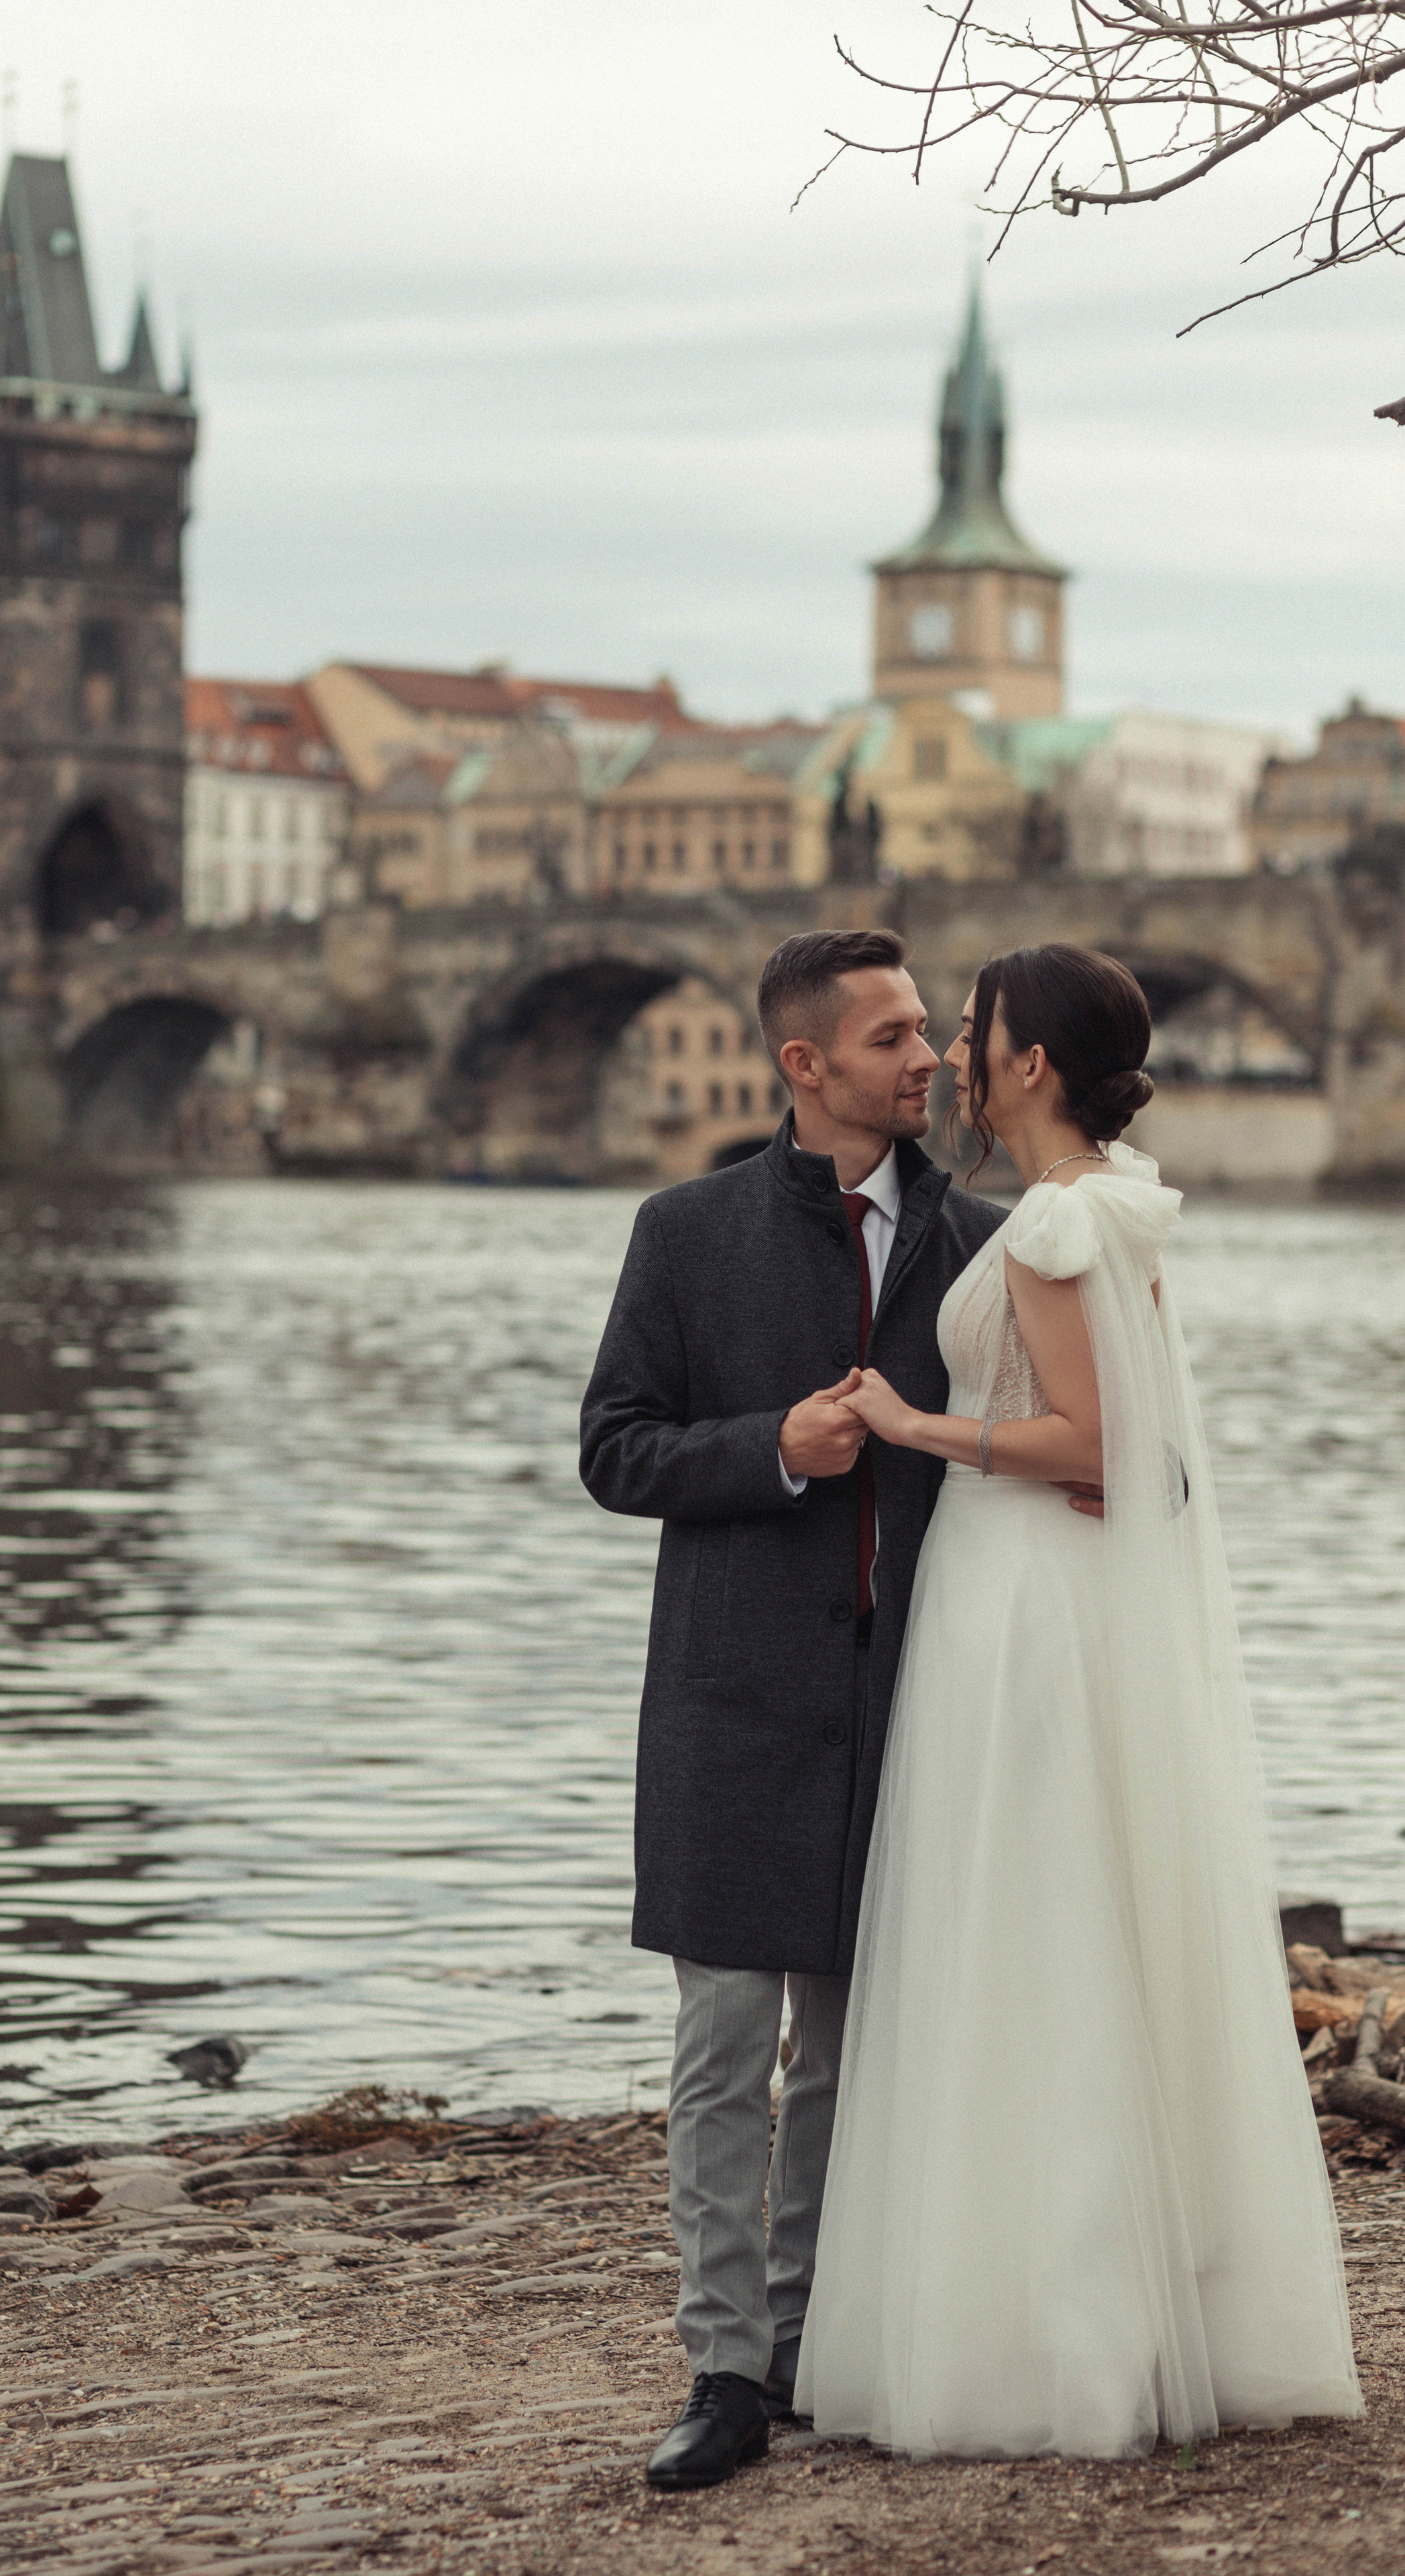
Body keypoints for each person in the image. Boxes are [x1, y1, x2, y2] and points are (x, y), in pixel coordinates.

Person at [796, 942, 1361, 2458]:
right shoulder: (1121, 1201)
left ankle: (1040, 2332)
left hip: (1017, 1604)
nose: (953, 1060)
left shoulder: (1055, 1219)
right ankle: (1119, 2294)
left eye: (968, 1035)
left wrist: (916, 1424)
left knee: (1023, 1923)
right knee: (1075, 1913)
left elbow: (1093, 1442)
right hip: (1050, 1597)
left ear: (1025, 1065)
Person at [579, 928, 1009, 2489]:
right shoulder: (682, 1233)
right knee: (718, 2050)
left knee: (845, 2051)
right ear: (804, 1063)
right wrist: (774, 1448)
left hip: (909, 1697)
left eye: (927, 1031)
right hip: (729, 1696)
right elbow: (615, 1450)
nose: (927, 1059)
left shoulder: (988, 1242)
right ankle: (720, 2370)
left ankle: (810, 2336)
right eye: (893, 1036)